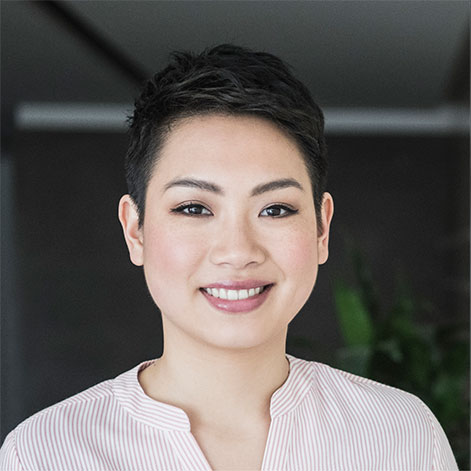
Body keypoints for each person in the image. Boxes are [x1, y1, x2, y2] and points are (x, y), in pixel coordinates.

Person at [0, 44, 458, 471]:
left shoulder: (401, 436)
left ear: (321, 227)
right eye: (194, 208)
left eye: (275, 209)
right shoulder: (43, 452)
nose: (238, 251)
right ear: (135, 229)